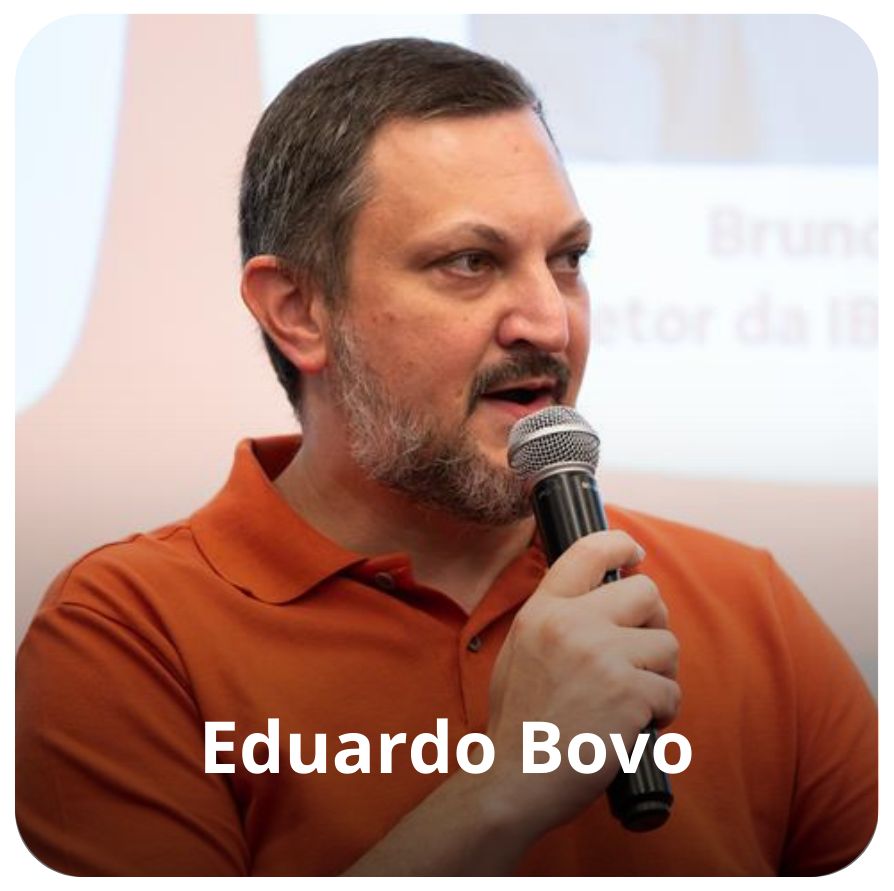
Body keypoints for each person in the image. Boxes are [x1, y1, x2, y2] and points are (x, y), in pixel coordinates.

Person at [16, 38, 876, 877]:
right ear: (298, 310)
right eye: (471, 262)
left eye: (567, 260)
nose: (550, 321)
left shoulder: (746, 601)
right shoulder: (127, 632)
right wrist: (508, 784)